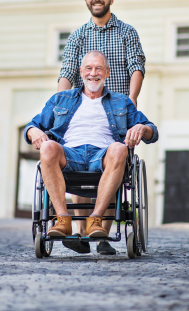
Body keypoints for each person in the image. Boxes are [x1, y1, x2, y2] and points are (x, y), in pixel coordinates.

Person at [25, 51, 157, 249]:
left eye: (98, 68)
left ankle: (96, 219)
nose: (93, 73)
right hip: (69, 155)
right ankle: (62, 219)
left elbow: (152, 132)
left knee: (120, 149)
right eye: (88, 68)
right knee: (48, 146)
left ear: (107, 72)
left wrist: (141, 127)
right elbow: (33, 125)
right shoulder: (61, 99)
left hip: (103, 156)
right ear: (81, 72)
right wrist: (34, 131)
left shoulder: (121, 102)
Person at [57, 0, 147, 255]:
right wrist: (63, 107)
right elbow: (67, 74)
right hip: (86, 110)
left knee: (112, 162)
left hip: (117, 112)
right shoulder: (78, 36)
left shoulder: (126, 32)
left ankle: (103, 234)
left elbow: (137, 66)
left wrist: (130, 103)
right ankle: (82, 232)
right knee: (80, 165)